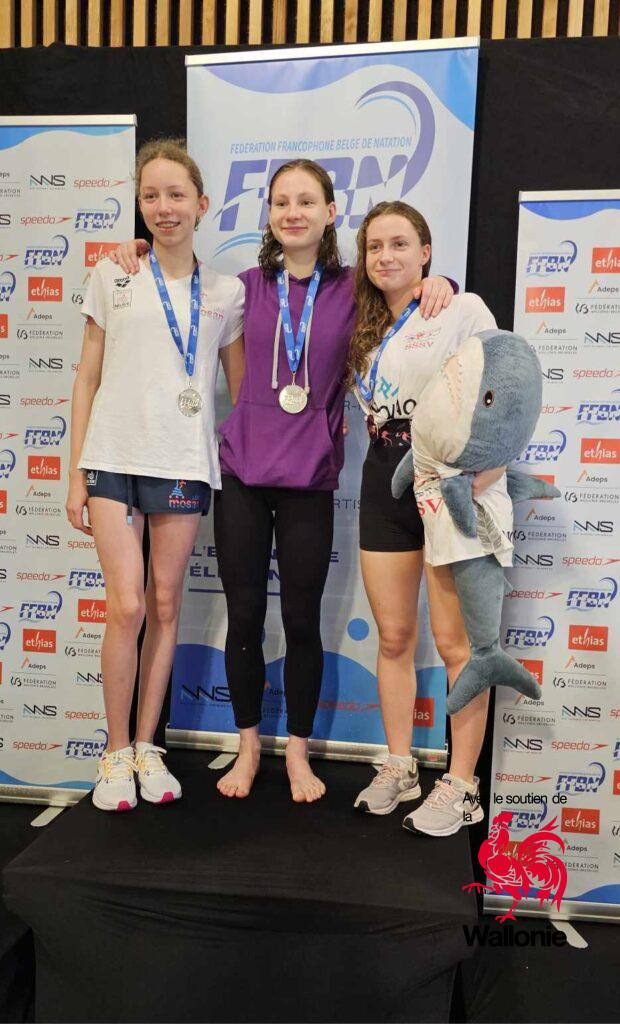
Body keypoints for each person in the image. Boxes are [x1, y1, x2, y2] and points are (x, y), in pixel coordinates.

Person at [111, 159, 454, 804]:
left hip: (310, 480)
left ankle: (297, 753)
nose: (293, 213)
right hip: (242, 474)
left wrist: (443, 283)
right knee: (243, 617)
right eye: (281, 203)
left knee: (301, 620)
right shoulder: (241, 287)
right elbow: (173, 282)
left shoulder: (354, 287)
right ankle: (246, 748)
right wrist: (135, 250)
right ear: (268, 215)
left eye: (306, 202)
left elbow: (409, 292)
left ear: (330, 213)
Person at [66, 139, 244, 812]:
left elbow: (241, 391)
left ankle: (147, 746)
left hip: (182, 462)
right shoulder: (112, 274)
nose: (164, 207)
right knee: (128, 606)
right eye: (151, 196)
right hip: (112, 458)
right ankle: (114, 752)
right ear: (139, 206)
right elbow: (86, 377)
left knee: (166, 605)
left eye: (176, 195)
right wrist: (75, 473)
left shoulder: (226, 292)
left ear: (201, 204)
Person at [350, 200, 506, 837]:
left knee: (455, 645)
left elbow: (504, 387)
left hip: (447, 483)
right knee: (393, 637)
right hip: (381, 479)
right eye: (374, 246)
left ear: (426, 252)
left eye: (399, 244)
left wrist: (488, 469)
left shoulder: (460, 308)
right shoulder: (362, 323)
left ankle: (462, 785)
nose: (385, 256)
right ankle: (400, 765)